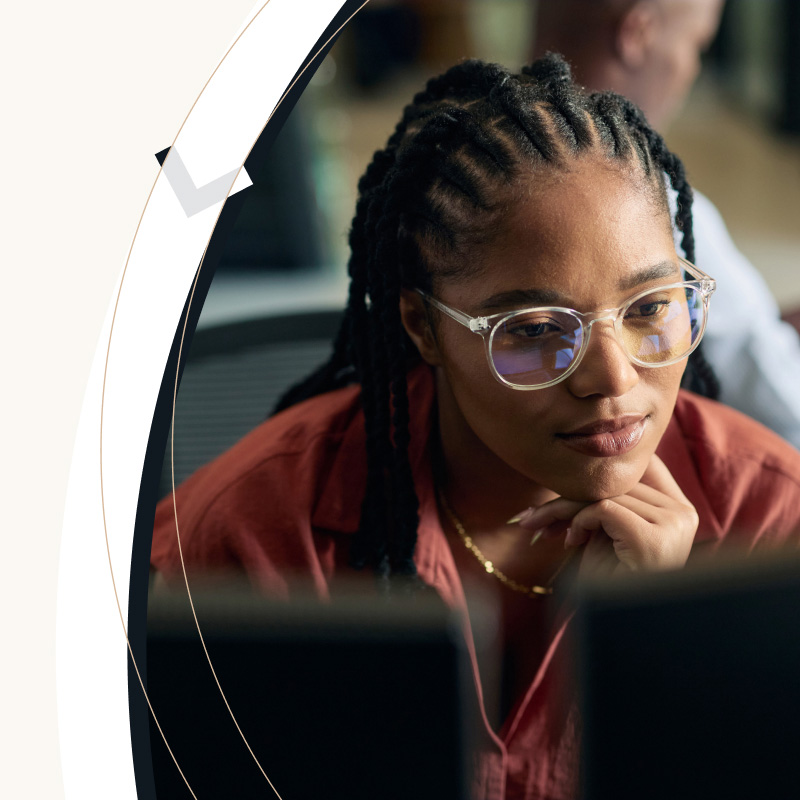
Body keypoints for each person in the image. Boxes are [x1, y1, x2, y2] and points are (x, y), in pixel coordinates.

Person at [151, 55, 800, 800]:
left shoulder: (770, 522)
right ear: (423, 328)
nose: (614, 380)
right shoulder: (249, 539)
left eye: (651, 308)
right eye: (534, 330)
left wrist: (668, 641)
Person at [533, 0, 800, 448]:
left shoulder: (470, 168)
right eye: (696, 45)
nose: (691, 69)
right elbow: (780, 401)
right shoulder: (651, 206)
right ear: (637, 33)